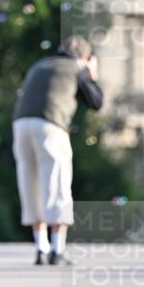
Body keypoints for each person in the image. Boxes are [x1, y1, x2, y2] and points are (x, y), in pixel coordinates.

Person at [12, 36, 103, 265]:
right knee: (57, 184)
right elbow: (96, 102)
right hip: (50, 126)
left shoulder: (40, 64)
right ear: (84, 56)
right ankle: (57, 250)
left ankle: (40, 247)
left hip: (20, 125)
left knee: (30, 184)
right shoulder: (77, 68)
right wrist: (92, 75)